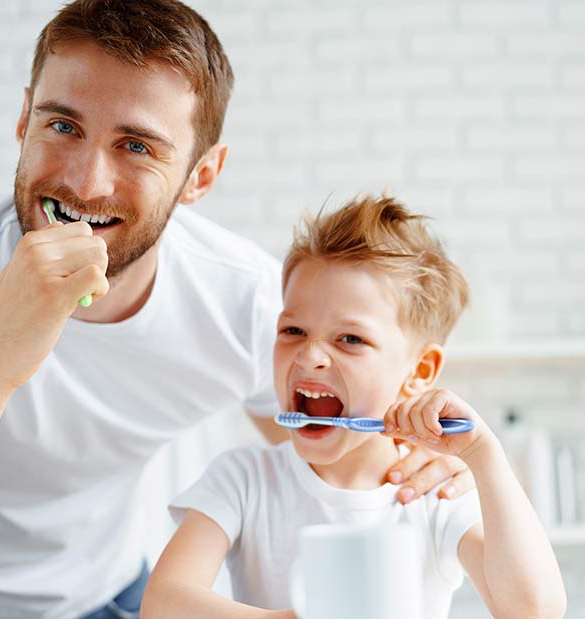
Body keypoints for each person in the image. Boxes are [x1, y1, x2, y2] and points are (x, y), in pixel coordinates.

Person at [0, 3, 474, 619]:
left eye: (137, 145)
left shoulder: (250, 303)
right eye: (62, 125)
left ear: (201, 175)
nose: (85, 182)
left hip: (111, 596)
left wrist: (418, 465)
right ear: (23, 119)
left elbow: (328, 445)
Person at [141, 195, 567, 619]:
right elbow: (163, 604)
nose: (309, 356)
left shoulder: (434, 496)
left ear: (420, 370)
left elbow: (534, 611)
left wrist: (483, 455)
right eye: (293, 330)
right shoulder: (244, 480)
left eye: (350, 339)